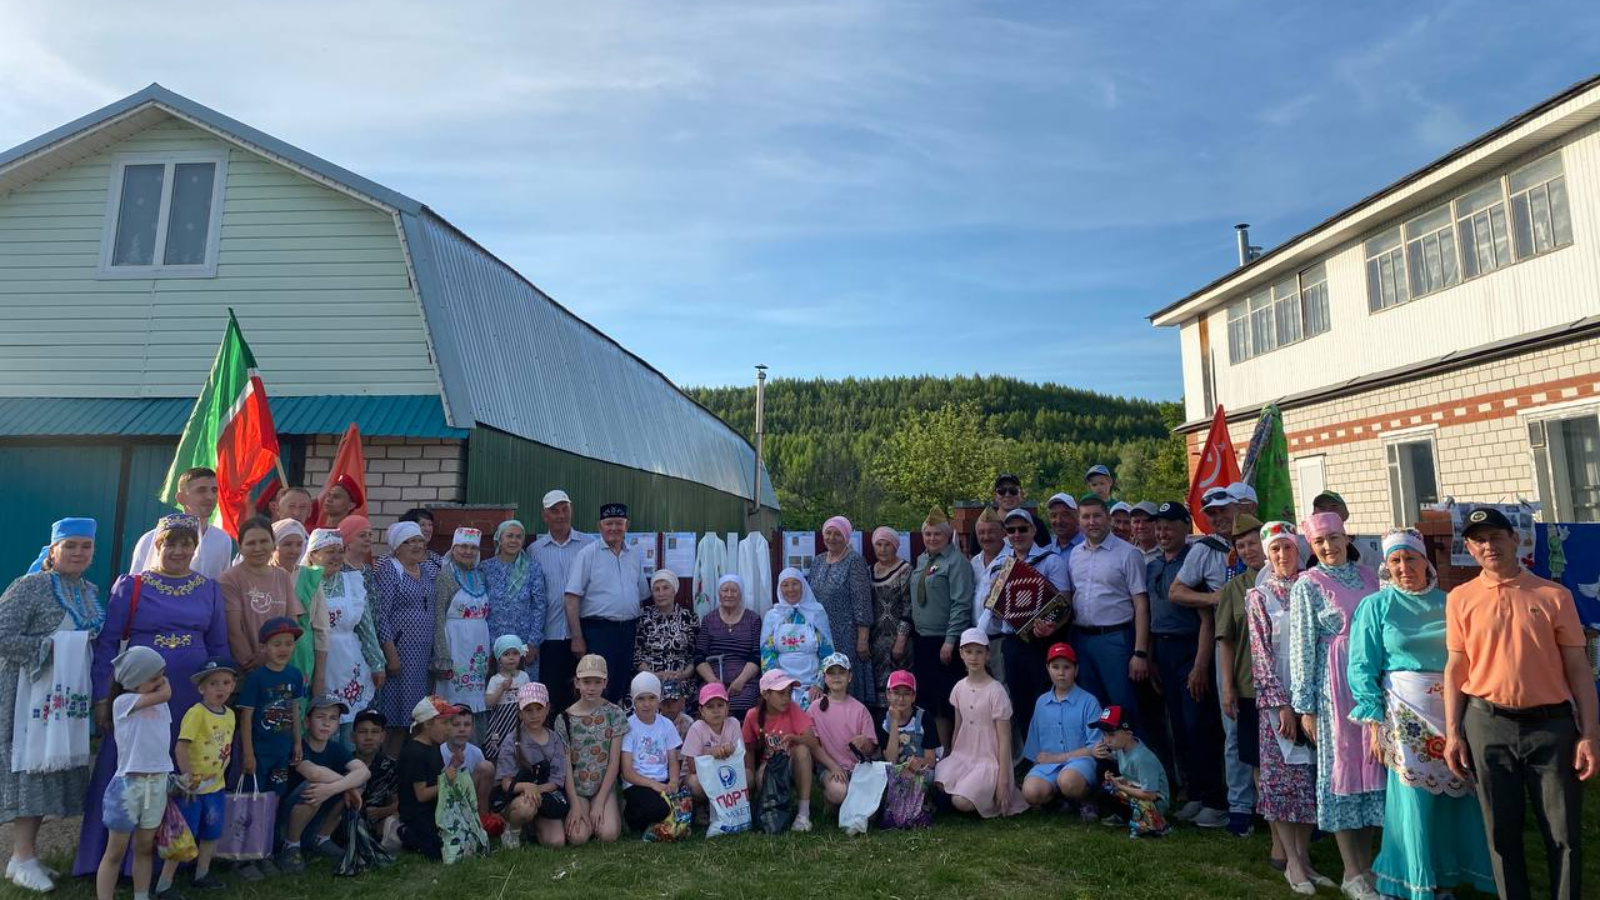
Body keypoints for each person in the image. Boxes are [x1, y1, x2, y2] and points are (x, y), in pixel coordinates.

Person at [1444, 507, 1598, 900]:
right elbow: (1456, 667)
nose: (1489, 546)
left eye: (1496, 536)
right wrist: (1453, 733)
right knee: (1501, 833)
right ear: (1470, 548)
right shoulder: (1460, 599)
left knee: (1563, 833)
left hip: (1551, 728)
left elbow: (1578, 668)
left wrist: (1590, 735)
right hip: (1486, 724)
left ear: (1515, 540)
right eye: (1479, 540)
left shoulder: (1554, 595)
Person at [77, 513, 228, 878]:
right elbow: (108, 643)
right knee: (128, 765)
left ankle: (172, 861)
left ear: (195, 548)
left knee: (183, 760)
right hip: (139, 694)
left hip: (191, 695)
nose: (178, 551)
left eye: (186, 544)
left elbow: (219, 645)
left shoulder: (209, 589)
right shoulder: (132, 586)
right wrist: (103, 697)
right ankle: (114, 858)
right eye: (170, 543)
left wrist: (220, 693)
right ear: (157, 545)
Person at [1348, 529, 1495, 900]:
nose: (1403, 567)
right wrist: (1373, 723)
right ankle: (1409, 879)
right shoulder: (1376, 606)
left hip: (1452, 712)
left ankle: (1446, 875)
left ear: (1425, 561)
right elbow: (1362, 664)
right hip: (1404, 715)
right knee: (1412, 798)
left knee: (1456, 795)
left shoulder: (1451, 602)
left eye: (1410, 558)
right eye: (1395, 560)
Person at [0, 518, 99, 893]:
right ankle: (22, 856)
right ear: (53, 550)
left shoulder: (88, 591)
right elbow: (2, 634)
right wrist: (49, 648)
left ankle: (23, 857)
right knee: (31, 771)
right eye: (70, 545)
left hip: (65, 698)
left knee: (48, 773)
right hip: (28, 696)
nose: (78, 553)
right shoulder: (30, 587)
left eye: (86, 546)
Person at [1289, 511, 1385, 900]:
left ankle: (1369, 865)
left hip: (1372, 684)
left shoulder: (1370, 577)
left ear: (1346, 537)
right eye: (1319, 542)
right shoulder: (1308, 584)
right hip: (1333, 688)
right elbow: (1301, 646)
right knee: (1344, 771)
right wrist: (1305, 706)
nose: (1328, 547)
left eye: (1333, 538)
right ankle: (1351, 871)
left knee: (1374, 769)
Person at [1171, 490, 1257, 829]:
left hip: (1270, 645)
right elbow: (1176, 591)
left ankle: (1277, 802)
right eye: (1211, 513)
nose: (1218, 518)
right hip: (1230, 643)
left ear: (1242, 508)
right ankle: (1239, 806)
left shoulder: (1262, 542)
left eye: (1224, 510)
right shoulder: (1205, 549)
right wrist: (1214, 598)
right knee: (1234, 728)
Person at [1248, 521, 1325, 895]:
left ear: (1299, 550)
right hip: (1277, 702)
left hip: (1314, 698)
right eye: (1275, 549)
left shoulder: (1313, 587)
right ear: (1268, 555)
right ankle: (1291, 861)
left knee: (1309, 779)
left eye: (1288, 547)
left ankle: (1305, 857)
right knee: (1282, 781)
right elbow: (1260, 656)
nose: (1282, 555)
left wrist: (1310, 701)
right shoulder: (1259, 596)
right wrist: (1280, 705)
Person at [1144, 498, 1226, 829]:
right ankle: (1195, 793)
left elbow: (1207, 619)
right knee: (1178, 727)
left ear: (1184, 528)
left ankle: (1215, 800)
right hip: (1163, 650)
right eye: (1158, 527)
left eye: (1169, 527)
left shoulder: (1193, 561)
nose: (1162, 533)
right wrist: (1150, 658)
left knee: (1199, 726)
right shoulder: (1153, 566)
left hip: (1190, 648)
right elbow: (1152, 614)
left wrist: (1200, 666)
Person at [1065, 499, 1151, 754]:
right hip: (1082, 639)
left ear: (1108, 518)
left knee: (1124, 709)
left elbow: (1141, 605)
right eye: (1085, 517)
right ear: (1079, 521)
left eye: (1096, 516)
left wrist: (1140, 652)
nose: (1091, 522)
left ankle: (1140, 769)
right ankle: (1103, 768)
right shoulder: (1075, 555)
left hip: (1115, 640)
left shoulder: (1128, 554)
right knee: (1093, 708)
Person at [95, 647, 171, 900]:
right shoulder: (123, 702)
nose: (161, 681)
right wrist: (163, 685)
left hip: (156, 783)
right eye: (154, 678)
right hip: (128, 786)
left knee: (144, 847)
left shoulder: (160, 704)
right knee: (115, 851)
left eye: (163, 675)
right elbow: (166, 692)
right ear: (132, 682)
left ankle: (141, 895)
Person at [990, 508, 1072, 740]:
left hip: (1042, 642)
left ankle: (1053, 748)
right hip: (1011, 641)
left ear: (1034, 530)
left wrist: (1052, 626)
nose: (1017, 534)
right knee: (1019, 700)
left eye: (1022, 529)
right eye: (1011, 530)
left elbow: (1064, 604)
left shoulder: (1051, 560)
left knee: (1045, 698)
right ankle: (1030, 752)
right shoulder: (1000, 565)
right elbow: (994, 608)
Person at [159, 656, 237, 894]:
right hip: (193, 788)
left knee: (211, 833)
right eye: (213, 684)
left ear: (233, 686)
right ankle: (164, 885)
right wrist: (187, 776)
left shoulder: (230, 715)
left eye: (226, 683)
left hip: (216, 786)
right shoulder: (197, 713)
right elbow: (182, 746)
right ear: (202, 688)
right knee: (183, 836)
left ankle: (202, 874)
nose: (220, 688)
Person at [897, 507, 972, 748]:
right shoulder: (922, 560)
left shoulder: (956, 563)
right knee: (926, 699)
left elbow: (961, 604)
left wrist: (950, 641)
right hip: (923, 641)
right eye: (928, 534)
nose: (932, 538)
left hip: (945, 641)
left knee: (944, 703)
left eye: (937, 534)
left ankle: (948, 753)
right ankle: (931, 751)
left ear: (947, 535)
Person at [934, 629, 1026, 818]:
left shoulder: (996, 691)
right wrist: (953, 758)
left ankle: (983, 795)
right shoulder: (959, 687)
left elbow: (1004, 739)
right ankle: (965, 789)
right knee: (938, 780)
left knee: (960, 802)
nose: (974, 657)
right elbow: (958, 727)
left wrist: (1003, 781)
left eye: (979, 652)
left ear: (987, 654)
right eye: (969, 652)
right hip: (964, 755)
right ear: (961, 654)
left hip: (988, 761)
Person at [1214, 514, 1267, 838]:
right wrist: (1227, 686)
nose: (1248, 550)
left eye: (1253, 542)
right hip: (1247, 683)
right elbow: (1226, 641)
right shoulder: (1233, 589)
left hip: (1286, 684)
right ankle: (1242, 808)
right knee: (1243, 747)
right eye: (1241, 545)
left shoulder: (1292, 579)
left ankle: (1300, 813)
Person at [565, 503, 648, 705]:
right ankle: (595, 724)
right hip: (598, 632)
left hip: (628, 631)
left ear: (627, 526)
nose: (614, 528)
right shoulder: (587, 554)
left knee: (621, 684)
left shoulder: (634, 555)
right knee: (597, 684)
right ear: (599, 526)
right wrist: (577, 637)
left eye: (619, 523)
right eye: (608, 523)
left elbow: (642, 594)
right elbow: (571, 597)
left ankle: (614, 723)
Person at [280, 697, 370, 873]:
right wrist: (347, 786)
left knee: (357, 784)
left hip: (315, 821)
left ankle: (321, 839)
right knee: (315, 787)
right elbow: (313, 773)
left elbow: (364, 771)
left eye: (333, 718)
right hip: (286, 823)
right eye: (320, 717)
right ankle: (290, 846)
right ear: (307, 722)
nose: (326, 723)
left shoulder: (335, 748)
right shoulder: (298, 746)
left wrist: (336, 788)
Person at [372, 521, 441, 749]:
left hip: (421, 654)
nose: (417, 545)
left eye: (420, 540)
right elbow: (381, 615)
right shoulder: (389, 569)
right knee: (393, 711)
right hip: (400, 651)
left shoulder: (427, 570)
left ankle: (402, 761)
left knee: (413, 713)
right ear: (397, 547)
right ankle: (386, 760)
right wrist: (391, 655)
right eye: (409, 542)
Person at [310, 527, 385, 730]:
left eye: (340, 551)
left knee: (347, 722)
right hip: (315, 659)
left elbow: (366, 628)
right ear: (313, 555)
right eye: (329, 551)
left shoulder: (353, 582)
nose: (336, 557)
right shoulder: (304, 582)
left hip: (348, 660)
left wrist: (377, 663)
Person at [742, 669, 829, 832]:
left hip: (792, 765)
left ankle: (803, 814)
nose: (787, 698)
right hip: (769, 766)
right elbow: (749, 748)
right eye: (781, 693)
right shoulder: (752, 715)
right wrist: (750, 777)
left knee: (802, 750)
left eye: (789, 692)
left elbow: (812, 741)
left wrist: (795, 738)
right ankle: (772, 811)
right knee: (761, 777)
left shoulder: (793, 709)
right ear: (766, 694)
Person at [1019, 643, 1103, 813]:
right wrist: (1039, 764)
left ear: (1076, 670)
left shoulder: (1089, 701)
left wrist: (1057, 757)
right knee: (1030, 792)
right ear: (1048, 669)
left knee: (1068, 781)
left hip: (1080, 762)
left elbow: (1096, 748)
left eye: (1067, 667)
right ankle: (1059, 799)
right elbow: (1035, 746)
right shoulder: (1042, 702)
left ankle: (1087, 798)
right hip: (1049, 765)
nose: (1061, 672)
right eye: (1055, 667)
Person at [529, 490, 592, 714]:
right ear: (545, 516)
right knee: (553, 697)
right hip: (551, 636)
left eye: (565, 509)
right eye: (554, 511)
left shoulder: (589, 544)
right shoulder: (534, 550)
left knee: (585, 696)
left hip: (585, 633)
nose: (561, 515)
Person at [238, 617, 306, 817]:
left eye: (289, 643)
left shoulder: (295, 675)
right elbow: (246, 718)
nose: (283, 649)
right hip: (259, 752)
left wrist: (297, 742)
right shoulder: (256, 678)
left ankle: (268, 834)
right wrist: (248, 754)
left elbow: (295, 710)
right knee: (254, 797)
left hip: (282, 751)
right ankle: (252, 835)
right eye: (277, 644)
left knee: (276, 795)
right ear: (264, 648)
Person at [493, 682, 573, 849]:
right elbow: (506, 783)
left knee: (556, 842)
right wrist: (526, 787)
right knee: (525, 807)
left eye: (538, 709)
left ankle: (532, 826)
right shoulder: (511, 741)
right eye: (528, 710)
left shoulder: (555, 739)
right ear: (520, 713)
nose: (534, 715)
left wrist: (537, 790)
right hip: (517, 798)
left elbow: (557, 780)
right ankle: (513, 829)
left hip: (544, 796)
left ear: (547, 708)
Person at [557, 654, 626, 845]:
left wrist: (600, 800)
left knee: (608, 834)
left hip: (603, 786)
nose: (592, 687)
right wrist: (574, 804)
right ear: (577, 683)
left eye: (597, 682)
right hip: (578, 787)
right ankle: (582, 810)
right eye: (587, 682)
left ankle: (611, 807)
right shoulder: (564, 719)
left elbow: (614, 762)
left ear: (605, 683)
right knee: (578, 837)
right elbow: (566, 766)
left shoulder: (614, 713)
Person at [808, 515, 875, 707]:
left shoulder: (855, 561)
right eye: (828, 533)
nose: (832, 538)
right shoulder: (818, 561)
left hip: (846, 635)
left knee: (843, 680)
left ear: (846, 537)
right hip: (820, 634)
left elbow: (862, 602)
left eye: (837, 534)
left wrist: (862, 639)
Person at [128, 468, 233, 579]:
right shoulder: (151, 539)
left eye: (214, 490)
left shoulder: (222, 539)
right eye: (201, 490)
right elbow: (135, 584)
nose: (210, 496)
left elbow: (222, 584)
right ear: (181, 498)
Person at [433, 528, 492, 717]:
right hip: (455, 642)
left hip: (478, 643)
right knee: (454, 693)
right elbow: (438, 616)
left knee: (476, 692)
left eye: (473, 548)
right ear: (453, 549)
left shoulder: (480, 576)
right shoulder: (445, 577)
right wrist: (441, 654)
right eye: (463, 547)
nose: (468, 551)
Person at [481, 519, 547, 677]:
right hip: (493, 641)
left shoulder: (532, 568)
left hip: (523, 643)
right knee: (495, 686)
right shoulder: (485, 568)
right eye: (509, 536)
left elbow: (540, 606)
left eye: (518, 537)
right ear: (499, 538)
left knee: (524, 686)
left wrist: (533, 643)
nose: (514, 540)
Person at [1091, 705, 1170, 837]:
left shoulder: (1142, 758)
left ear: (1128, 734)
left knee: (1117, 790)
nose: (1106, 740)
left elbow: (1150, 795)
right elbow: (1117, 758)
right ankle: (1125, 816)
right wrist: (1100, 755)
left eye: (1111, 734)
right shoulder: (1122, 747)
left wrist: (1120, 786)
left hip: (1154, 801)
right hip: (1136, 788)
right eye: (1104, 734)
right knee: (1106, 786)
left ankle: (1155, 823)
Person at [619, 672, 683, 833]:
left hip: (663, 781)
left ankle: (657, 823)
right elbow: (627, 772)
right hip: (638, 783)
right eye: (641, 699)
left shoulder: (666, 725)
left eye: (652, 698)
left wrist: (673, 782)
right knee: (659, 809)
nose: (647, 704)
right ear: (634, 701)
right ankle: (630, 816)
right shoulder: (628, 726)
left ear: (658, 699)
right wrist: (654, 785)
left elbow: (673, 761)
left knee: (683, 804)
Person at [760, 568, 834, 708]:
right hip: (781, 687)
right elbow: (767, 656)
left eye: (795, 583)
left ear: (803, 586)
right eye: (785, 585)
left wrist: (819, 684)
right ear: (779, 588)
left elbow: (827, 655)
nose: (790, 589)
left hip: (812, 685)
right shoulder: (772, 616)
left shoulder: (817, 613)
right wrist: (778, 686)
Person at [810, 653, 876, 809]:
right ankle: (829, 802)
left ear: (850, 676)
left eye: (841, 672)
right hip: (828, 767)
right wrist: (833, 767)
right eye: (831, 673)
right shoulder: (814, 708)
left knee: (872, 810)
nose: (837, 677)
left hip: (858, 768)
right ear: (824, 677)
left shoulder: (860, 709)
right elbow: (814, 746)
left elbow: (871, 749)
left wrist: (865, 742)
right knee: (838, 792)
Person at [695, 574, 762, 718]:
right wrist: (713, 681)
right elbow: (699, 656)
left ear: (741, 594)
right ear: (719, 593)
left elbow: (756, 656)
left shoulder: (753, 619)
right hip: (713, 677)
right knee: (710, 702)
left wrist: (740, 681)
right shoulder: (709, 619)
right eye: (725, 590)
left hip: (745, 680)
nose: (729, 595)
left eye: (734, 591)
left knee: (744, 701)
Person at [396, 696, 455, 860]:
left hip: (434, 810)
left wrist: (454, 766)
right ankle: (401, 832)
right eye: (445, 723)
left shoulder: (434, 746)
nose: (449, 728)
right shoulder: (414, 753)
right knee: (439, 851)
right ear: (427, 724)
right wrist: (446, 781)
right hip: (417, 815)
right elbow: (421, 795)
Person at [634, 569, 699, 704]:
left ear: (674, 590)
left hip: (681, 679)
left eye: (665, 588)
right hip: (649, 678)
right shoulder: (643, 617)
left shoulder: (689, 617)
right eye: (656, 589)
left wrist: (683, 675)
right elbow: (637, 656)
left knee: (675, 700)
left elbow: (695, 656)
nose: (661, 593)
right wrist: (653, 675)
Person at [868, 525, 911, 711]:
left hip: (898, 640)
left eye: (887, 545)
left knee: (899, 686)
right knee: (877, 688)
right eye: (879, 544)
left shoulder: (905, 570)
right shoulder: (869, 571)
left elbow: (908, 606)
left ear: (895, 547)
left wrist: (901, 640)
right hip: (875, 641)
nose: (883, 549)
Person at [683, 683, 744, 802]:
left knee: (748, 775)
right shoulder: (697, 727)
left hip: (727, 772)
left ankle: (734, 804)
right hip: (704, 775)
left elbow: (741, 759)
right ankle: (704, 805)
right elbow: (692, 767)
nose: (716, 711)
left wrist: (732, 751)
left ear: (727, 707)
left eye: (720, 705)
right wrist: (711, 754)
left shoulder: (734, 723)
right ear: (701, 710)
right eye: (710, 707)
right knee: (694, 782)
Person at [350, 710, 400, 848]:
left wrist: (382, 812)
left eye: (375, 732)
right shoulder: (343, 764)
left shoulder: (392, 767)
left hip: (379, 823)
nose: (369, 737)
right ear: (352, 736)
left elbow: (400, 803)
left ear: (383, 736)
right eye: (362, 732)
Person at [439, 705, 495, 816]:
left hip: (470, 800)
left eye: (467, 724)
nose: (462, 729)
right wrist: (453, 766)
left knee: (487, 767)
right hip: (446, 801)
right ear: (447, 727)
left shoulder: (476, 752)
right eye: (456, 725)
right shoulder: (439, 751)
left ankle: (483, 817)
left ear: (473, 728)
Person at [483, 635, 531, 763]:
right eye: (506, 654)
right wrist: (501, 689)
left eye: (515, 653)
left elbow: (528, 699)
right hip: (500, 721)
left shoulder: (524, 676)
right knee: (500, 751)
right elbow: (489, 702)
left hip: (519, 720)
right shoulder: (495, 679)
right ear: (499, 658)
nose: (511, 657)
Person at [990, 473, 1048, 549]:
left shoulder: (1037, 524)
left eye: (1013, 490)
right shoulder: (984, 526)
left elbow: (1046, 552)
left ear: (1021, 494)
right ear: (995, 496)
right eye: (1001, 491)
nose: (1007, 495)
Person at [1045, 492, 1084, 558]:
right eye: (1053, 515)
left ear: (1077, 516)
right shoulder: (1045, 553)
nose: (1058, 521)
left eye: (1064, 515)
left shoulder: (1090, 548)